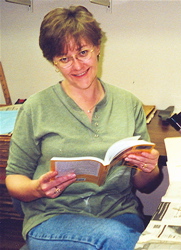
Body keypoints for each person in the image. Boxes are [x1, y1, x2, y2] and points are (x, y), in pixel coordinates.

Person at [6, 6, 160, 250]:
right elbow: (14, 179)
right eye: (64, 59)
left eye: (83, 52)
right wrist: (37, 188)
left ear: (97, 47)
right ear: (53, 62)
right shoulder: (36, 107)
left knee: (118, 235)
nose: (77, 66)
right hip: (53, 219)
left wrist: (149, 168)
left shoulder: (128, 103)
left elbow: (145, 184)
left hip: (118, 213)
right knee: (118, 239)